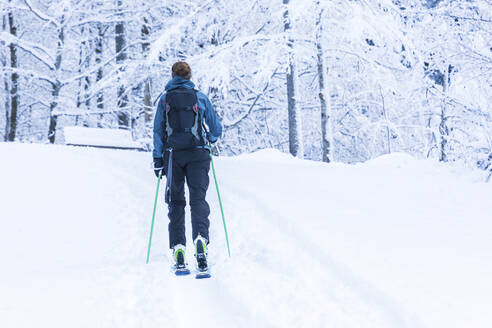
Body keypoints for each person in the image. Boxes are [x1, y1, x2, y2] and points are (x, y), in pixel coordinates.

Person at [152, 62, 222, 274]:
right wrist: (210, 139)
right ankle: (200, 240)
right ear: (190, 76)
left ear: (172, 76)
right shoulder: (200, 97)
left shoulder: (164, 99)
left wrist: (158, 159)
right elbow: (216, 128)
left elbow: (157, 131)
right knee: (198, 199)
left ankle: (179, 248)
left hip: (173, 156)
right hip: (199, 154)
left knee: (176, 202)